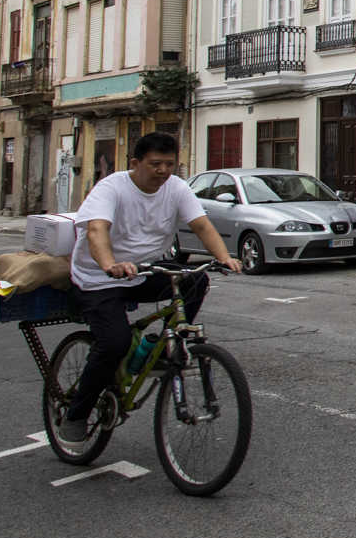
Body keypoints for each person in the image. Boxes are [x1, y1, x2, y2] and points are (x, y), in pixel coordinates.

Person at [57, 131, 241, 444]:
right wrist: (109, 264)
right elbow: (97, 230)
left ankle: (164, 345)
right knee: (114, 343)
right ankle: (77, 413)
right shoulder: (112, 187)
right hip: (100, 278)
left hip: (144, 271)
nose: (163, 170)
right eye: (155, 164)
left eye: (169, 164)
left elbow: (201, 225)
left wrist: (224, 257)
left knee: (196, 280)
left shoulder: (176, 188)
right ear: (135, 163)